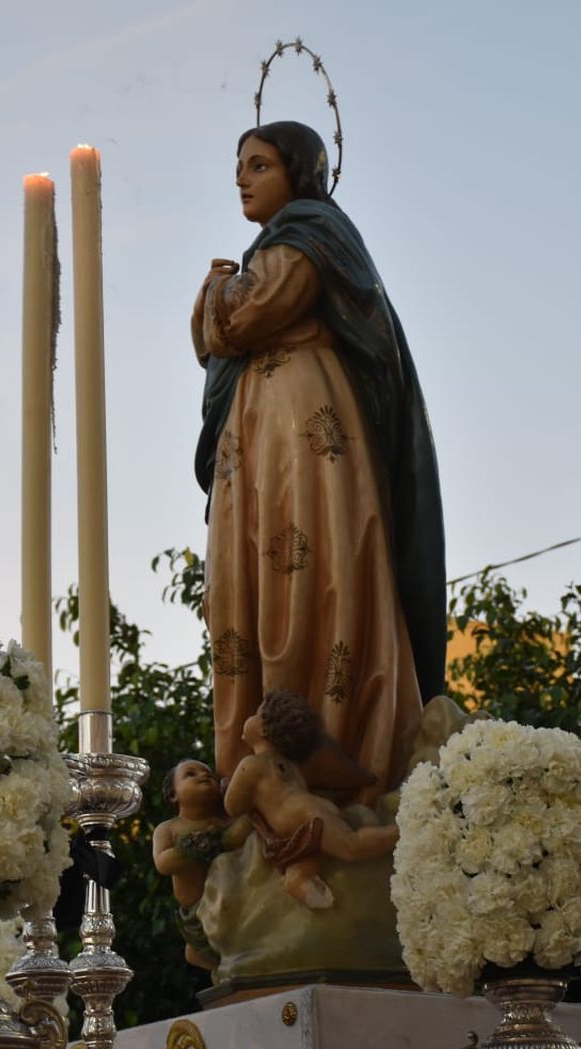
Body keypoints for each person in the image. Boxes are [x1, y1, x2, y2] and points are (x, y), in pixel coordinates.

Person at [192, 120, 446, 801]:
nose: (242, 178)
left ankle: (335, 742)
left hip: (306, 423)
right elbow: (218, 336)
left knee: (314, 565)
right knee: (246, 577)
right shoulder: (272, 250)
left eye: (258, 165)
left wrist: (217, 289)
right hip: (256, 431)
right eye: (239, 165)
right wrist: (224, 296)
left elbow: (238, 321)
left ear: (299, 175)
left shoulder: (308, 240)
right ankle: (255, 760)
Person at [223, 690, 399, 910]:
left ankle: (401, 832)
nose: (248, 717)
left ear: (264, 729)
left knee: (351, 846)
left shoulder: (251, 765)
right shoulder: (291, 766)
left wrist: (228, 786)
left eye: (256, 714)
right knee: (299, 870)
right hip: (305, 821)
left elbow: (232, 805)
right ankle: (308, 889)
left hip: (306, 816)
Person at [151, 758, 251, 968]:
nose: (203, 775)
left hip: (239, 906)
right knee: (196, 952)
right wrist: (217, 842)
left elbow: (248, 826)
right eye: (190, 774)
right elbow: (163, 862)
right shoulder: (170, 829)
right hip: (198, 917)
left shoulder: (228, 820)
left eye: (209, 774)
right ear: (173, 795)